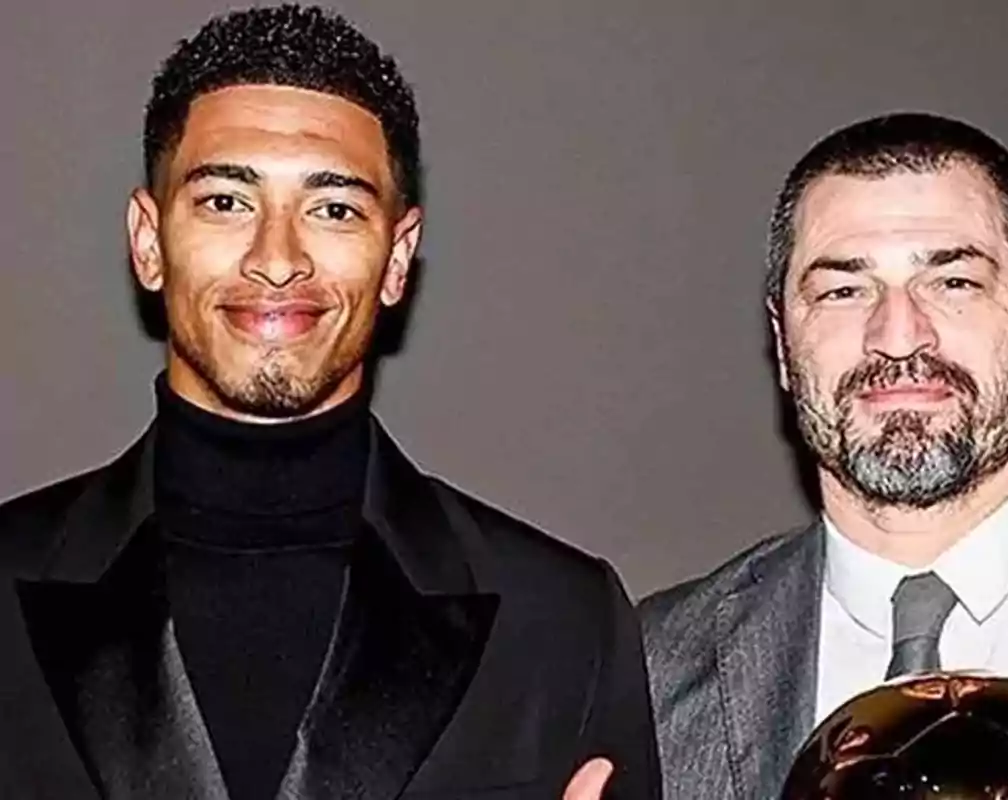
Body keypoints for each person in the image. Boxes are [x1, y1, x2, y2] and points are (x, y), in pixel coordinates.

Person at [0, 6, 660, 799]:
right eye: (225, 202)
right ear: (148, 240)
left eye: (334, 209)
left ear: (397, 258)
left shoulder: (563, 620)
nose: (277, 258)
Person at [639, 112, 1008, 800]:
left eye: (953, 282)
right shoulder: (644, 670)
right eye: (845, 289)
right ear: (784, 345)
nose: (899, 336)